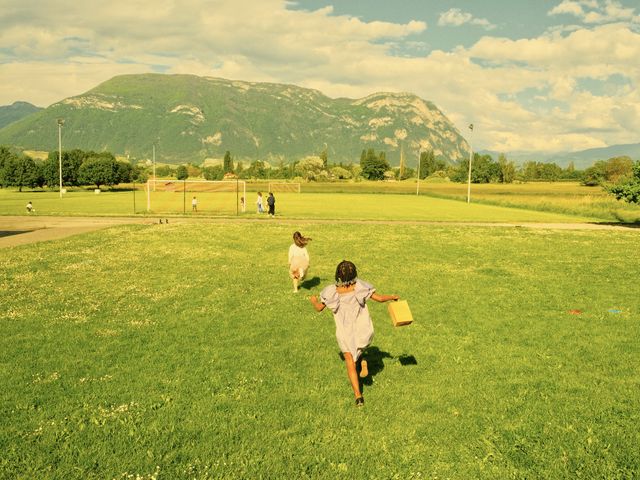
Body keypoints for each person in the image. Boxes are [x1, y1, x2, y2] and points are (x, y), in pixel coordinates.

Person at [310, 260, 399, 407]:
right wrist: (393, 297)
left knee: (350, 361)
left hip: (345, 331)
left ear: (338, 274)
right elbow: (380, 298)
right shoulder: (360, 288)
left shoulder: (332, 291)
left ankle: (358, 397)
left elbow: (319, 308)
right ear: (354, 273)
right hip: (361, 328)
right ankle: (362, 360)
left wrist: (313, 301)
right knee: (358, 350)